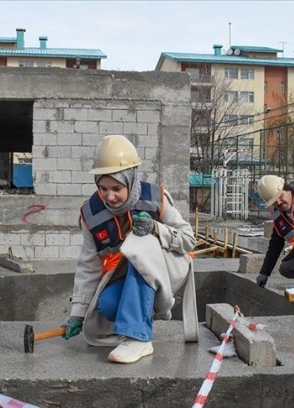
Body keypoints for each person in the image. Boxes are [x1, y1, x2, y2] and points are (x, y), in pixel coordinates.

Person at [62, 134, 198, 364]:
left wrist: (156, 229)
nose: (109, 196)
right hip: (126, 276)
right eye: (103, 189)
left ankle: (139, 338)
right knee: (106, 304)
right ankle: (136, 322)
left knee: (139, 244)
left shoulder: (156, 198)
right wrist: (78, 312)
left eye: (116, 188)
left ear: (131, 179)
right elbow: (88, 266)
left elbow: (188, 240)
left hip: (169, 269)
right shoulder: (91, 215)